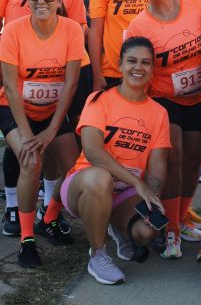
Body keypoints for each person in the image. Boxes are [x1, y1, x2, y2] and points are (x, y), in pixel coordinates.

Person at [0, 0, 88, 237]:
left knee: (60, 157)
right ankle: (13, 209)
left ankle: (48, 211)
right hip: (15, 74)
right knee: (22, 153)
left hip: (54, 79)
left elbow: (78, 28)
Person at [62, 36, 171, 285]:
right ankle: (98, 254)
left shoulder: (159, 113)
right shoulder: (99, 100)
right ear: (120, 64)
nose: (138, 67)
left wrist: (152, 198)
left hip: (124, 192)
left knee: (146, 231)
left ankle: (116, 226)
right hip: (85, 184)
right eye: (131, 61)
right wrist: (137, 181)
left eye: (145, 62)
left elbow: (156, 168)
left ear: (153, 69)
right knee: (101, 176)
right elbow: (92, 151)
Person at [0, 0, 84, 268]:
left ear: (59, 2)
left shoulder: (71, 29)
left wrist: (52, 130)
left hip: (53, 110)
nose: (41, 1)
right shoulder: (14, 30)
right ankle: (27, 239)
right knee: (31, 162)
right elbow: (8, 86)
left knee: (73, 166)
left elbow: (70, 83)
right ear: (27, 1)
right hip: (15, 108)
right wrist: (29, 136)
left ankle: (50, 217)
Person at [126, 0, 201, 258]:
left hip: (200, 95)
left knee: (194, 161)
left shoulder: (197, 6)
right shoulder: (139, 25)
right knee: (174, 157)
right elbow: (137, 67)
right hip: (165, 97)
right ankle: (171, 228)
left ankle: (183, 215)